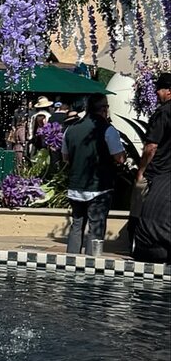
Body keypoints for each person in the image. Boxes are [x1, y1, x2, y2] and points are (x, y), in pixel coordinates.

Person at [62, 94, 126, 255]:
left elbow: (65, 157)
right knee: (96, 227)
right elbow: (119, 158)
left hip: (75, 187)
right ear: (104, 109)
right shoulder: (108, 129)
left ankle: (70, 261)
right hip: (99, 187)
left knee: (76, 225)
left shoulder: (70, 129)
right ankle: (92, 263)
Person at [134, 71, 171, 264]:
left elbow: (151, 147)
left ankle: (138, 248)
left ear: (168, 91)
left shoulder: (163, 113)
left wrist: (141, 171)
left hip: (158, 173)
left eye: (159, 89)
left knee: (143, 212)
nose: (156, 93)